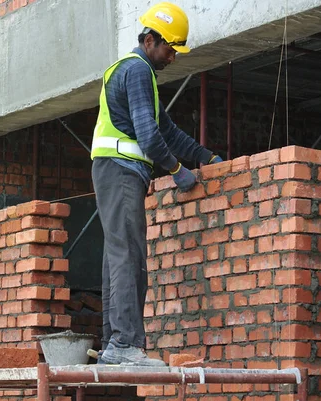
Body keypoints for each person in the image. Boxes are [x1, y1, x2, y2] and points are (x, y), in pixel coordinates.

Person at [90, 2, 223, 366]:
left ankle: (114, 344)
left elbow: (165, 129)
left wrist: (205, 156)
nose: (172, 57)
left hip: (116, 170)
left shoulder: (134, 71)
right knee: (129, 256)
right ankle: (125, 344)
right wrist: (177, 170)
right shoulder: (137, 71)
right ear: (149, 40)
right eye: (169, 48)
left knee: (118, 256)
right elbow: (150, 138)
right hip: (120, 170)